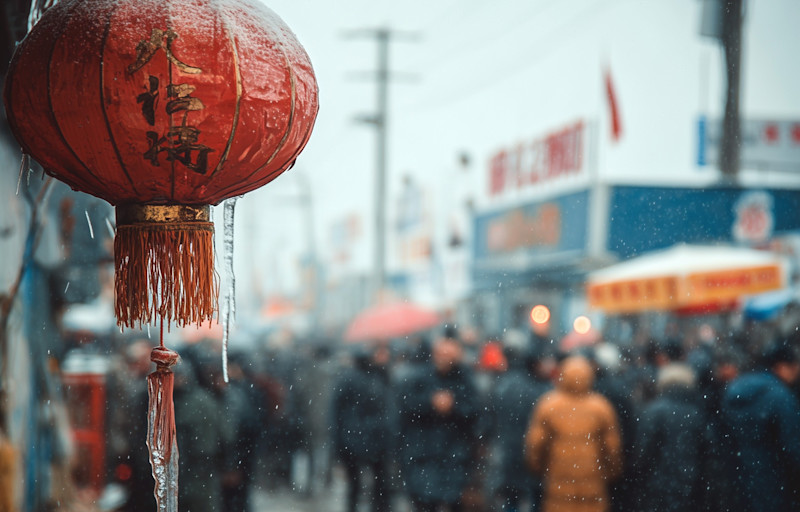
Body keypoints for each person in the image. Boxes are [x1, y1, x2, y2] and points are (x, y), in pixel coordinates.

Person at [524, 356, 622, 512]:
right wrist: (610, 472)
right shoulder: (601, 407)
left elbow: (536, 445)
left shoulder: (548, 405)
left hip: (558, 482)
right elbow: (612, 448)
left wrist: (539, 468)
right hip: (592, 485)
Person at [396, 332, 480, 512]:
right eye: (441, 354)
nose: (444, 359)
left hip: (454, 457)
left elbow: (476, 414)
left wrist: (454, 406)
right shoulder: (417, 377)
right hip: (423, 455)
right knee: (424, 502)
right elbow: (405, 409)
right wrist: (430, 403)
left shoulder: (466, 380)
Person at [721, 342, 800, 512]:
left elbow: (723, 439)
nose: (797, 372)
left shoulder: (732, 393)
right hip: (776, 484)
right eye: (794, 367)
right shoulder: (781, 397)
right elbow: (793, 447)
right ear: (780, 367)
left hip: (738, 482)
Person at [630, 363, 711, 512]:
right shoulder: (696, 413)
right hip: (691, 482)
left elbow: (643, 451)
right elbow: (707, 451)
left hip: (658, 482)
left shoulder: (654, 411)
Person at [330, 343, 393, 512]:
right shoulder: (370, 378)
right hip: (364, 440)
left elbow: (336, 414)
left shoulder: (376, 376)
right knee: (370, 485)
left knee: (361, 486)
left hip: (362, 440)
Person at [489, 345, 550, 512]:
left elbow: (490, 421)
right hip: (531, 455)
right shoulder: (540, 390)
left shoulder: (502, 385)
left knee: (512, 499)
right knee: (534, 499)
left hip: (508, 453)